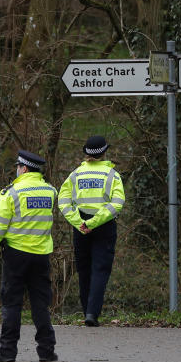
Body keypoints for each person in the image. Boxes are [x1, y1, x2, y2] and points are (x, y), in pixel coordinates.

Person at [0, 150, 58, 362]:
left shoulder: (12, 193)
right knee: (40, 304)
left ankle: (7, 352)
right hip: (41, 256)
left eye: (18, 166)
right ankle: (47, 351)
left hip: (16, 257)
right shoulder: (50, 191)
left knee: (12, 304)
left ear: (23, 168)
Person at [58, 135, 125, 326]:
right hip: (104, 226)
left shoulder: (76, 174)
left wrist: (78, 221)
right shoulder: (112, 175)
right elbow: (117, 203)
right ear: (104, 152)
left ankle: (86, 310)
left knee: (84, 269)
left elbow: (62, 200)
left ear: (86, 153)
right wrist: (94, 222)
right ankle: (92, 314)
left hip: (80, 226)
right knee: (100, 270)